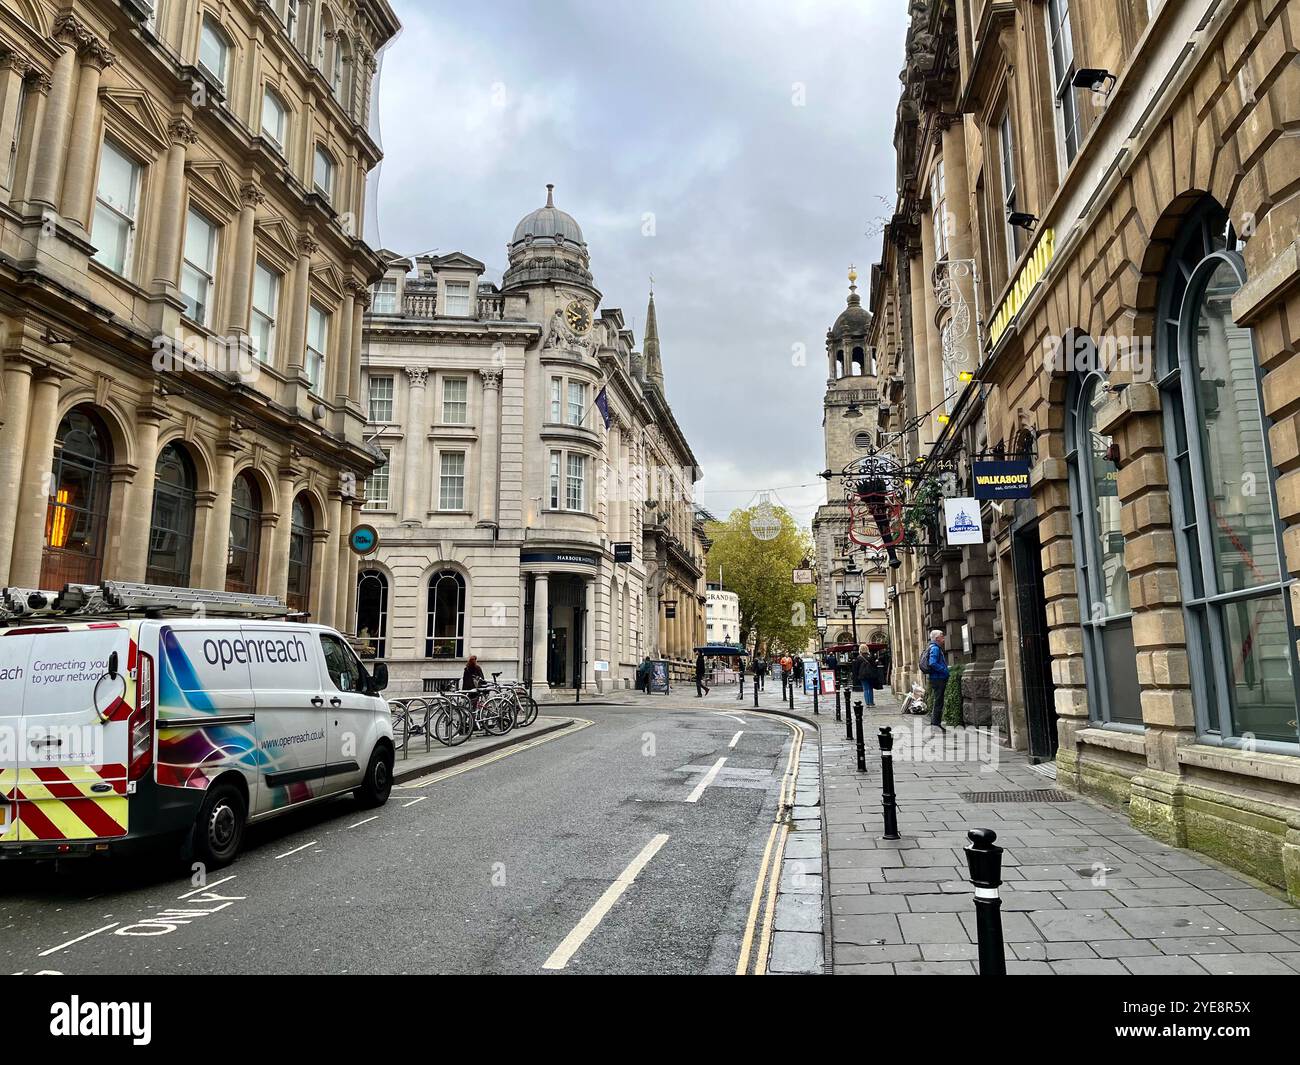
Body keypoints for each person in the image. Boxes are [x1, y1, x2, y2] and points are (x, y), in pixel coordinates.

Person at [923, 629, 949, 731]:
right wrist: (944, 670)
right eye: (942, 636)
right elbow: (932, 663)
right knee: (939, 701)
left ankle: (935, 723)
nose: (944, 638)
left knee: (938, 700)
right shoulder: (935, 649)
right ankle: (935, 724)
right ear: (937, 638)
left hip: (936, 678)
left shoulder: (934, 647)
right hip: (938, 678)